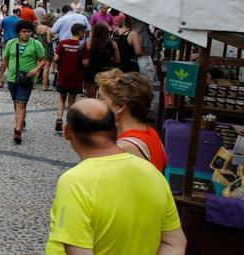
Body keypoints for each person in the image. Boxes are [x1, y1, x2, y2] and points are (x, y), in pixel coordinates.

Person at [46, 99, 185, 255]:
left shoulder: (75, 181)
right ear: (115, 129)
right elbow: (175, 243)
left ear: (67, 131)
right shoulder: (152, 173)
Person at [97, 69, 167, 171]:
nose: (96, 103)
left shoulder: (124, 148)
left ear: (120, 106)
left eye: (101, 98)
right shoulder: (149, 132)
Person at [0, 20, 46, 144]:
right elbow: (5, 60)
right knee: (16, 102)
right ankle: (21, 120)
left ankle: (17, 130)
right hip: (12, 78)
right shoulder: (10, 43)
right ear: (19, 32)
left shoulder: (36, 44)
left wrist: (36, 69)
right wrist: (1, 77)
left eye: (29, 32)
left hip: (27, 79)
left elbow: (42, 60)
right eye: (24, 32)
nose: (27, 34)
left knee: (21, 103)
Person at [53, 23, 88, 134]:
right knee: (72, 99)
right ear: (80, 32)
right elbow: (85, 63)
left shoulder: (63, 43)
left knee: (62, 97)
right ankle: (69, 123)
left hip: (63, 75)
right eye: (84, 32)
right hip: (76, 76)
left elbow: (56, 58)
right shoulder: (82, 45)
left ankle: (59, 119)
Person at [84, 22, 120, 99]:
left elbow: (85, 61)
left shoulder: (89, 45)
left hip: (91, 73)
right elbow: (117, 60)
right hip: (106, 73)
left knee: (91, 98)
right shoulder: (112, 44)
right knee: (104, 97)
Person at [34, 12, 55, 91]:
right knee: (46, 67)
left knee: (38, 67)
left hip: (39, 48)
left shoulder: (38, 27)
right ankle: (45, 86)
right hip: (47, 49)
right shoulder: (48, 29)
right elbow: (49, 41)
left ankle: (33, 84)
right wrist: (54, 37)